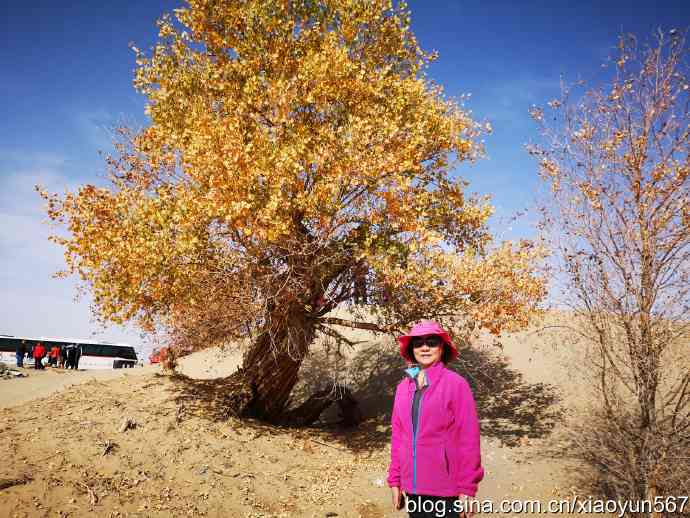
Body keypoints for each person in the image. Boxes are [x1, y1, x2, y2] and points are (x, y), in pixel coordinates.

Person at [387, 320, 484, 518]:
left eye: (431, 341)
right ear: (411, 348)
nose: (424, 347)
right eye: (418, 342)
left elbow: (469, 438)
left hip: (445, 489)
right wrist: (395, 480)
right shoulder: (403, 387)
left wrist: (468, 487)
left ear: (442, 347)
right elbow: (399, 437)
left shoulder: (456, 384)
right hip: (412, 488)